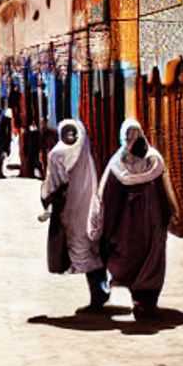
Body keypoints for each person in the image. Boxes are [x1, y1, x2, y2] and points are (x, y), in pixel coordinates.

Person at [88, 119, 180, 319]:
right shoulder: (122, 163)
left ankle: (145, 301)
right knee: (135, 257)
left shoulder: (149, 159)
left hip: (146, 221)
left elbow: (163, 187)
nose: (131, 140)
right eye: (128, 136)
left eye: (133, 135)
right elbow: (107, 195)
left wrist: (170, 210)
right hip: (131, 225)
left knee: (150, 256)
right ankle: (141, 300)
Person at [41, 119, 109, 311]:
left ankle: (98, 294)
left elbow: (53, 183)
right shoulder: (86, 150)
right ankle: (100, 290)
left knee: (78, 248)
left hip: (69, 209)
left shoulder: (56, 154)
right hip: (89, 206)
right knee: (90, 247)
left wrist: (45, 197)